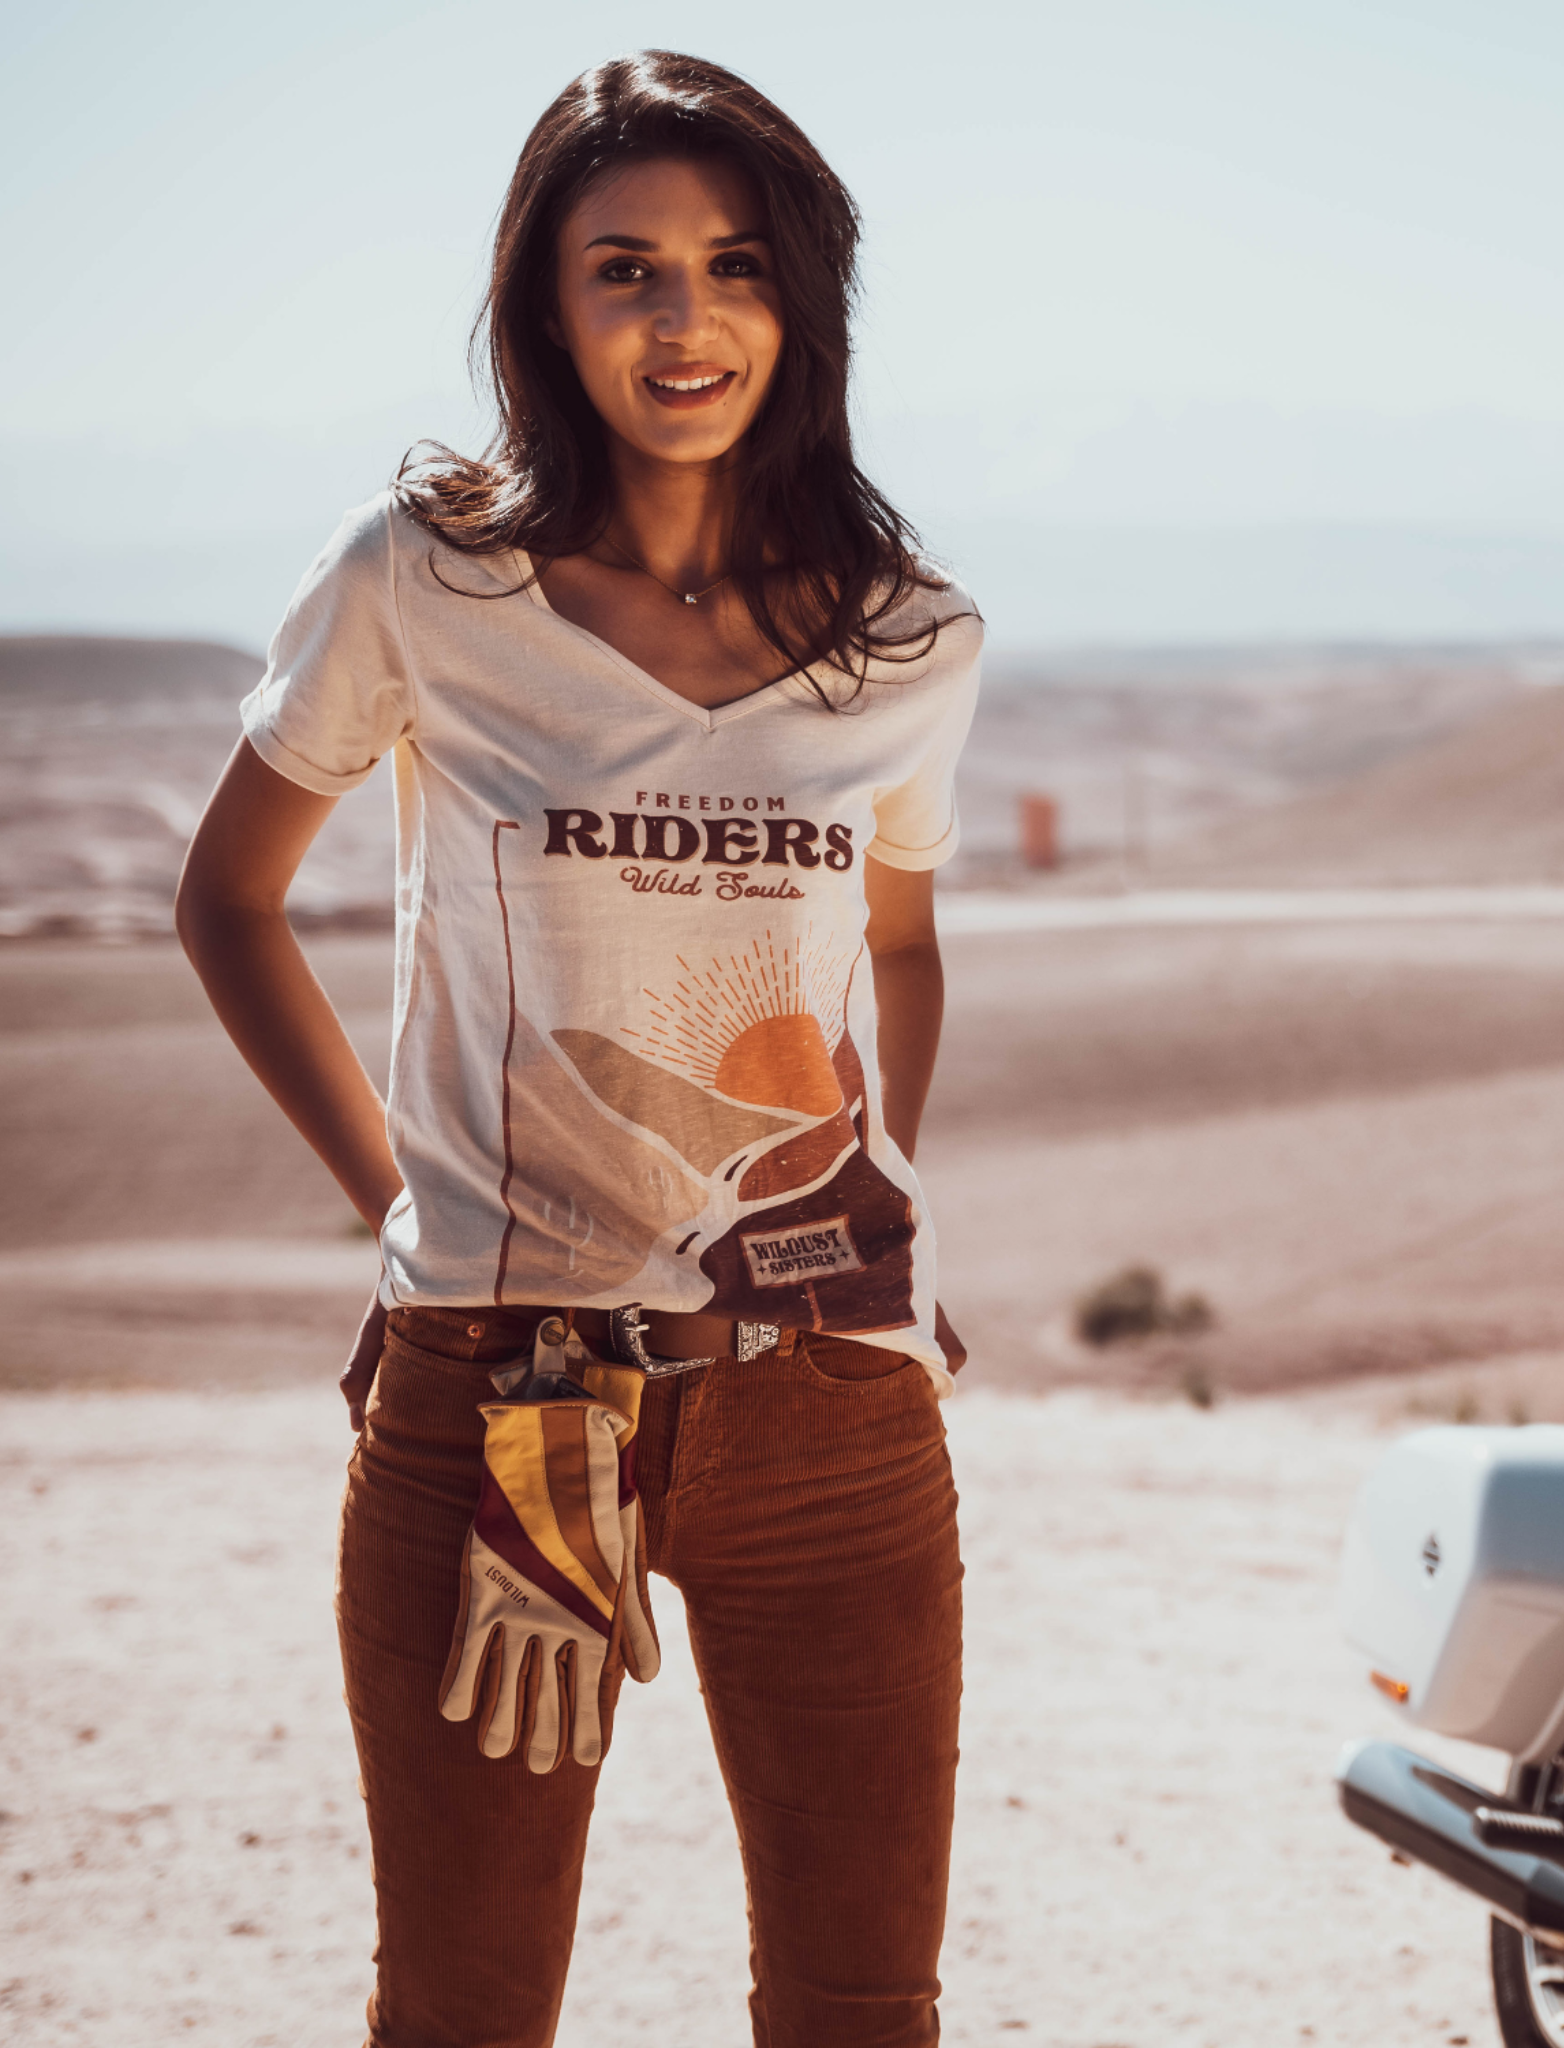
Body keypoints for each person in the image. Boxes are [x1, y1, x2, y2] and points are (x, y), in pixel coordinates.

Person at [176, 50, 980, 2048]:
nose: (681, 318)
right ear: (545, 303)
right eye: (623, 269)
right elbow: (228, 901)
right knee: (464, 2011)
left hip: (833, 1416)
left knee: (862, 2007)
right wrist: (413, 1231)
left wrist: (868, 1218)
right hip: (503, 1407)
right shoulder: (425, 582)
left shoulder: (909, 635)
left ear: (804, 302)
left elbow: (898, 941)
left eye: (732, 266)